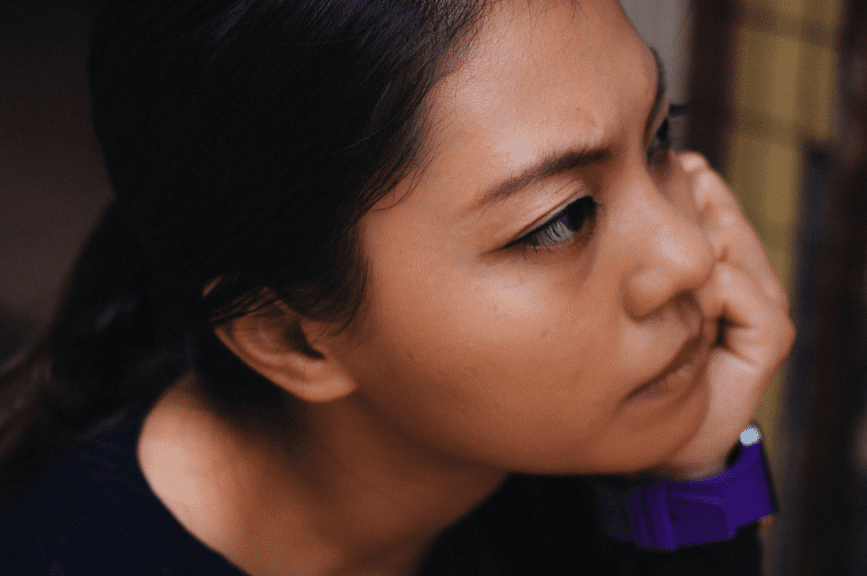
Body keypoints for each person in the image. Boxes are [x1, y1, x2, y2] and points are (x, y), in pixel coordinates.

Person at [0, 0, 794, 574]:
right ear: (292, 336)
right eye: (558, 221)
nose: (689, 254)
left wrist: (693, 482)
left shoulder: (549, 461)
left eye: (660, 133)